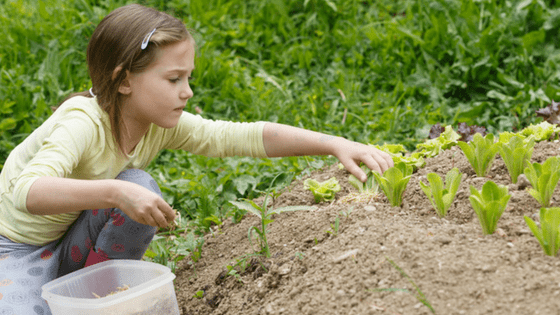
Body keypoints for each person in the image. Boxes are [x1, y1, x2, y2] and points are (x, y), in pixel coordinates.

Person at [0, 4, 393, 314]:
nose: (187, 92)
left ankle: (97, 301)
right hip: (16, 247)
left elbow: (237, 135)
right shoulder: (83, 123)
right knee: (130, 191)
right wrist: (117, 193)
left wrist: (334, 143)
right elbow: (26, 191)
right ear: (123, 81)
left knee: (140, 188)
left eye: (188, 77)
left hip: (70, 237)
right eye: (173, 80)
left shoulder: (158, 122)